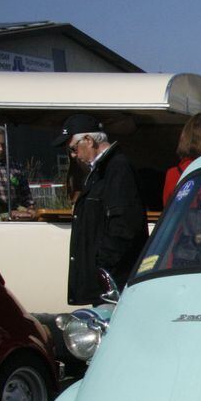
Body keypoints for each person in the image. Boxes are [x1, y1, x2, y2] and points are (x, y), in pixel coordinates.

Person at [52, 114, 148, 305]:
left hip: (113, 283)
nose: (73, 155)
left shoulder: (117, 168)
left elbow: (124, 225)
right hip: (105, 282)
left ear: (88, 140)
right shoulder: (100, 171)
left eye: (73, 148)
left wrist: (101, 264)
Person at [0, 125, 33, 210]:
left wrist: (31, 212)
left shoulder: (15, 167)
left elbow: (27, 198)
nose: (1, 149)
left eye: (3, 145)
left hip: (15, 218)